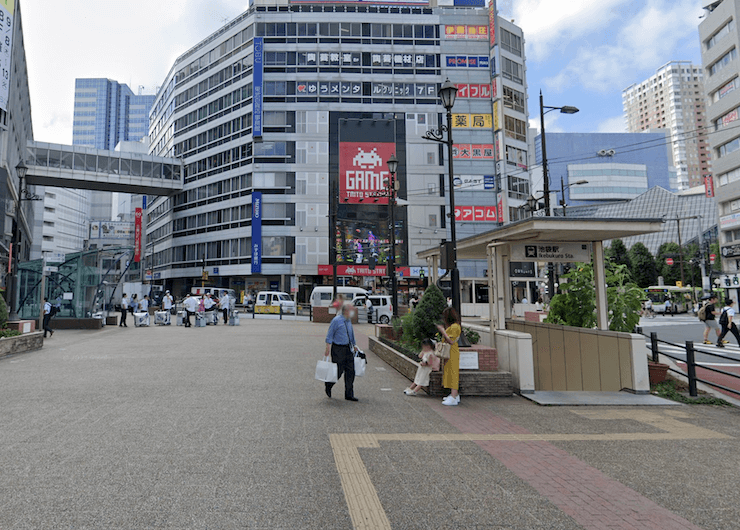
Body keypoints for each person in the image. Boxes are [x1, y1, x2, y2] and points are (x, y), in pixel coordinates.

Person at [324, 303, 359, 401]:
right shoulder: (336, 321)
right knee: (338, 371)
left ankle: (349, 394)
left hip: (348, 348)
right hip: (338, 348)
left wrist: (354, 344)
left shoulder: (348, 321)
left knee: (350, 371)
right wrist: (327, 347)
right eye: (351, 310)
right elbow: (330, 334)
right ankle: (328, 384)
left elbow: (351, 333)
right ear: (346, 311)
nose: (352, 312)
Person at [437, 307, 462, 406]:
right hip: (450, 352)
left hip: (452, 351)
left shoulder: (455, 327)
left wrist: (443, 331)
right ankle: (454, 395)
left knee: (453, 373)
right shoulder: (453, 326)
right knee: (449, 372)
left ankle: (453, 396)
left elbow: (451, 340)